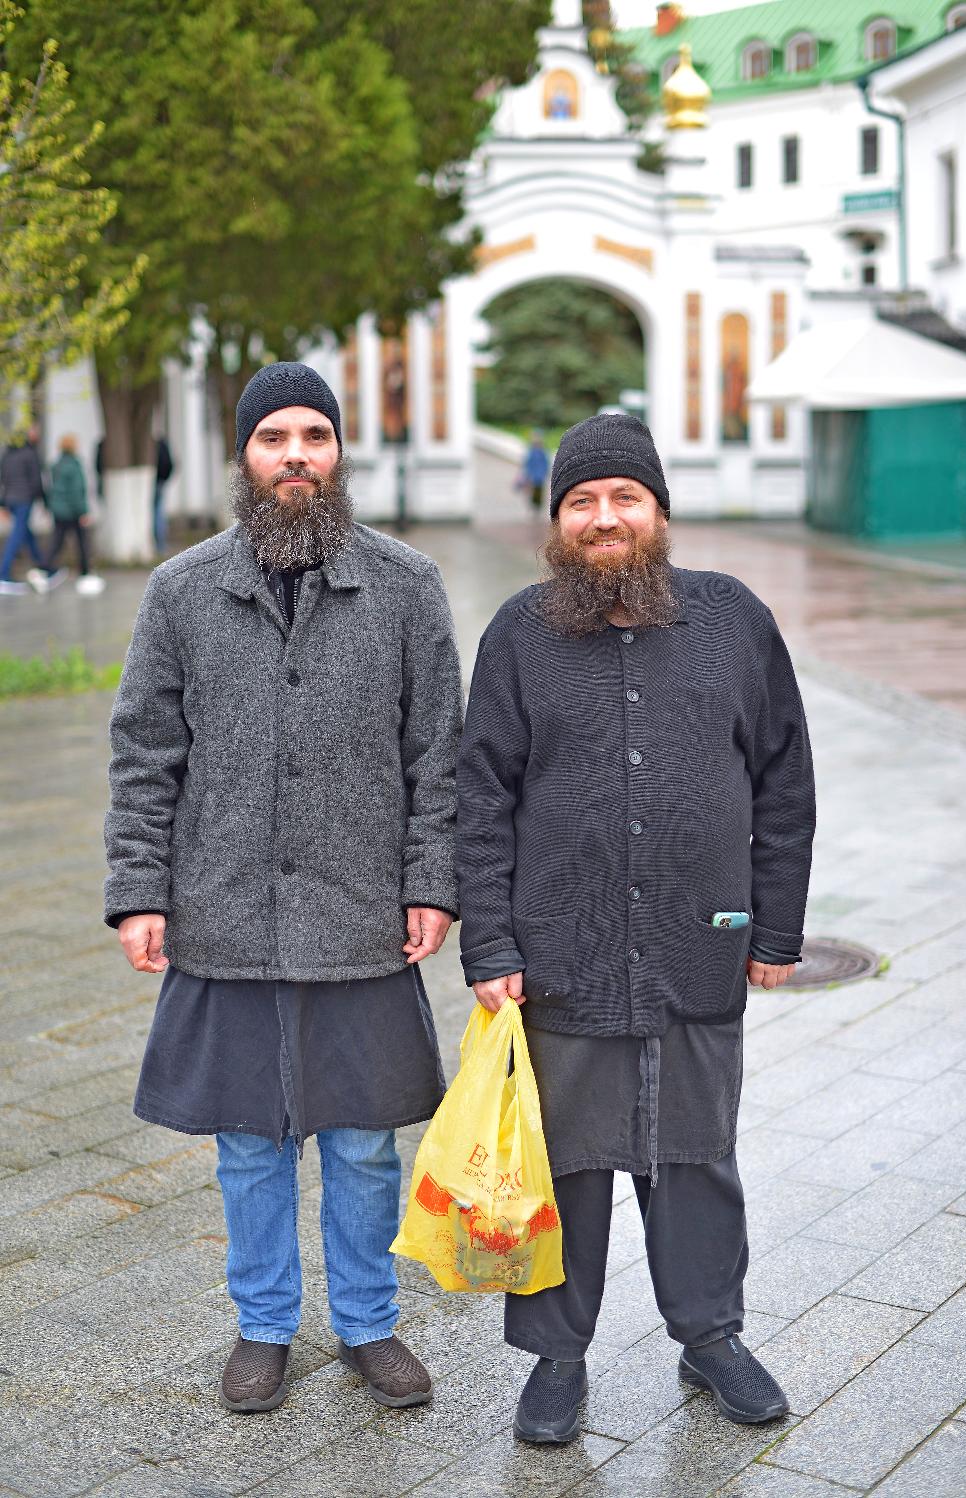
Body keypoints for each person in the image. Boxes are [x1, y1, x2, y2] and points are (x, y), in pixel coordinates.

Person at [104, 362, 463, 1416]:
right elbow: (143, 752)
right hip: (225, 910)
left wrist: (429, 880)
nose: (296, 454)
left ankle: (366, 1321)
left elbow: (437, 749)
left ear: (339, 451)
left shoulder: (406, 585)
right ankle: (263, 1323)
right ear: (245, 455)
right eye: (274, 437)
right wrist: (139, 890)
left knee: (362, 1141)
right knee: (250, 1143)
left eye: (315, 434)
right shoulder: (181, 591)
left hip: (360, 913)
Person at [456, 412, 815, 1445]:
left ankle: (710, 1336)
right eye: (581, 502)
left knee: (695, 1153)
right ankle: (555, 1360)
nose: (603, 518)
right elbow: (479, 800)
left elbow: (782, 779)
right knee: (565, 1164)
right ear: (557, 522)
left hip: (699, 944)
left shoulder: (731, 620)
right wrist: (491, 945)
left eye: (623, 498)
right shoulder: (520, 634)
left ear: (658, 511)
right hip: (559, 957)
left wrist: (775, 928)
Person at [27, 435, 105, 596]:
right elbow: (77, 491)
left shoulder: (56, 465)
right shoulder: (75, 466)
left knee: (57, 541)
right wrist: (83, 512)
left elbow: (51, 488)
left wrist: (49, 506)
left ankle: (43, 568)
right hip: (73, 511)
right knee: (82, 542)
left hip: (59, 510)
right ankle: (85, 574)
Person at [0, 424, 46, 595]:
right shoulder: (30, 453)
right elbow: (36, 480)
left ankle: (43, 565)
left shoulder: (6, 454)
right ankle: (3, 574)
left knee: (26, 533)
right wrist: (44, 501)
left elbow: (3, 480)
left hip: (11, 500)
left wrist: (3, 504)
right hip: (24, 499)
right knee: (17, 535)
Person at [152, 435, 174, 554]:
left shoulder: (156, 444)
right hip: (159, 483)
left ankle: (158, 544)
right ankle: (160, 545)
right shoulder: (160, 443)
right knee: (158, 514)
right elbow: (169, 464)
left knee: (156, 514)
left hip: (156, 483)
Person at [520, 432, 550, 513]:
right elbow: (527, 463)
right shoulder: (531, 451)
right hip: (532, 476)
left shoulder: (543, 451)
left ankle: (537, 507)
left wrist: (545, 473)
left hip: (540, 476)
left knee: (539, 492)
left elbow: (546, 463)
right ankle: (532, 507)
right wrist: (526, 474)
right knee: (531, 492)